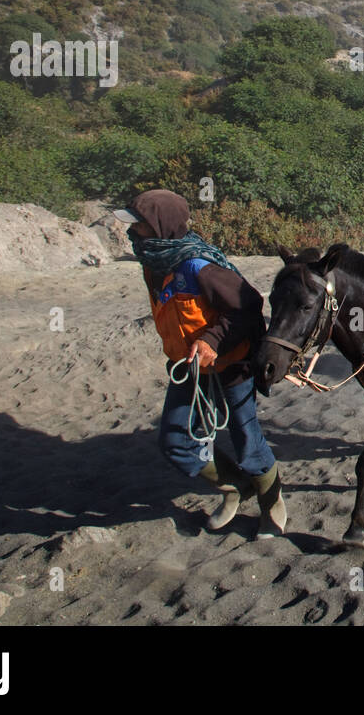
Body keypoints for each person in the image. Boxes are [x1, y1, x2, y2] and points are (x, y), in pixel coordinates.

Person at [116, 189, 284, 538]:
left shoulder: (198, 265)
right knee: (176, 440)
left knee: (246, 438)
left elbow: (249, 306)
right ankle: (236, 487)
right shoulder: (155, 261)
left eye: (140, 225)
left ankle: (272, 504)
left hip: (232, 364)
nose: (133, 232)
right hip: (188, 367)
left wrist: (210, 341)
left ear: (161, 226)